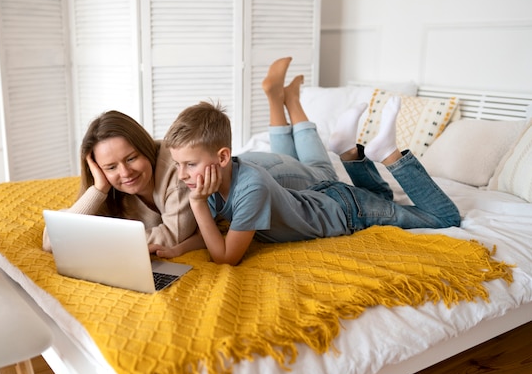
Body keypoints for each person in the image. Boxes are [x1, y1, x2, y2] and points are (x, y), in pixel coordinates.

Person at [163, 67, 461, 266]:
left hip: (345, 212)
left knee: (444, 217)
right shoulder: (212, 181)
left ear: (223, 157)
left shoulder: (249, 186)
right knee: (382, 200)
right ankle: (348, 152)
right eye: (178, 164)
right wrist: (178, 249)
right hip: (328, 197)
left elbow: (227, 257)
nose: (182, 174)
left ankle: (390, 155)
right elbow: (212, 232)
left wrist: (198, 204)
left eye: (190, 164)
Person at [42, 110, 204, 257]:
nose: (126, 173)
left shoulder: (179, 171)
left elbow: (172, 236)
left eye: (131, 158)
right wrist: (99, 189)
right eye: (111, 167)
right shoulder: (109, 188)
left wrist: (96, 244)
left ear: (145, 147)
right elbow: (52, 241)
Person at [239, 57, 338, 190]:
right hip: (275, 183)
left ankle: (280, 98)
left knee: (289, 163)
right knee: (326, 175)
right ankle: (290, 100)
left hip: (270, 183)